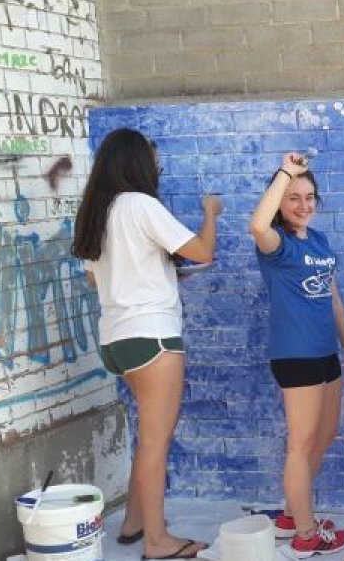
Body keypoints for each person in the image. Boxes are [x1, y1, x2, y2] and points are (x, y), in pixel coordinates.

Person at [72, 128, 219, 560]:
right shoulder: (140, 205)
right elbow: (203, 252)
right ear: (136, 162)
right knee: (157, 441)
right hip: (152, 336)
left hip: (117, 340)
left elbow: (94, 277)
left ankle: (135, 522)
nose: (157, 167)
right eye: (153, 159)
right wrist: (210, 213)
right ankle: (158, 542)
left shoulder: (96, 211)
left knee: (148, 436)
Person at [247, 152, 344, 558]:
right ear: (279, 201)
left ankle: (295, 513)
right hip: (295, 356)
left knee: (323, 436)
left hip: (326, 353)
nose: (303, 205)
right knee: (301, 444)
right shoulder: (275, 244)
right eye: (293, 197)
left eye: (309, 196)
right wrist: (285, 173)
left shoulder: (319, 241)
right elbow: (257, 223)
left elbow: (332, 297)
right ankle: (306, 533)